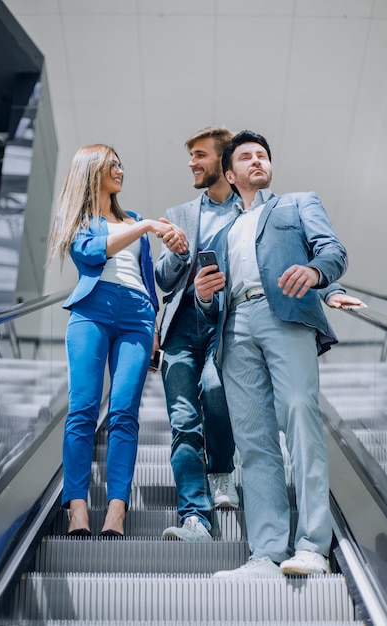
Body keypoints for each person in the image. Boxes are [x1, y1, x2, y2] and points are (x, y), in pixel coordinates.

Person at [194, 130, 349, 576]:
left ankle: (313, 547)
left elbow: (333, 251)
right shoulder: (222, 232)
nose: (258, 161)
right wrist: (206, 297)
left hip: (284, 315)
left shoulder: (298, 203)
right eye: (246, 157)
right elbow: (211, 305)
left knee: (300, 416)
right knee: (254, 443)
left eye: (263, 155)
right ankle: (266, 552)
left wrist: (317, 272)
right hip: (235, 327)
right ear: (230, 172)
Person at [48, 143, 187, 538]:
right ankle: (77, 508)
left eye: (122, 165)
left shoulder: (134, 220)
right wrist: (144, 227)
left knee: (124, 413)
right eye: (113, 166)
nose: (121, 171)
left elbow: (147, 277)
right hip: (91, 310)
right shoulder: (76, 218)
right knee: (84, 409)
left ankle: (116, 510)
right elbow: (90, 255)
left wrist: (156, 323)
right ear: (92, 171)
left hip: (138, 317)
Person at [155, 126, 240, 542]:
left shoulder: (249, 211)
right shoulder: (180, 212)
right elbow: (162, 279)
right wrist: (178, 254)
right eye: (190, 156)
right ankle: (195, 517)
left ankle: (222, 469)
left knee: (216, 388)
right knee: (184, 420)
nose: (192, 163)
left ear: (223, 162)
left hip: (227, 321)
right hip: (181, 324)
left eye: (200, 155)